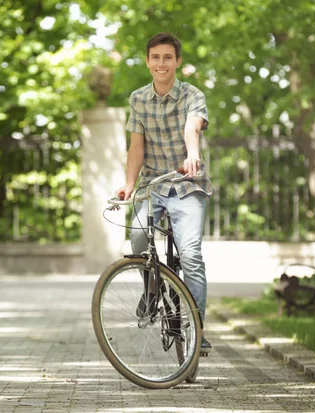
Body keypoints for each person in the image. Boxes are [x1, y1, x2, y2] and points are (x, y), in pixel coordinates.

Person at [115, 32, 213, 354]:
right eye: (155, 57)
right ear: (147, 61)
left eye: (167, 57)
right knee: (138, 239)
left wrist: (192, 154)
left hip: (187, 185)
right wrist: (130, 185)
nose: (161, 63)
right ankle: (152, 289)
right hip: (153, 186)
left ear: (177, 61)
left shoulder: (192, 95)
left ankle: (197, 327)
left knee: (191, 256)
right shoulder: (138, 99)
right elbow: (136, 146)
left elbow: (192, 127)